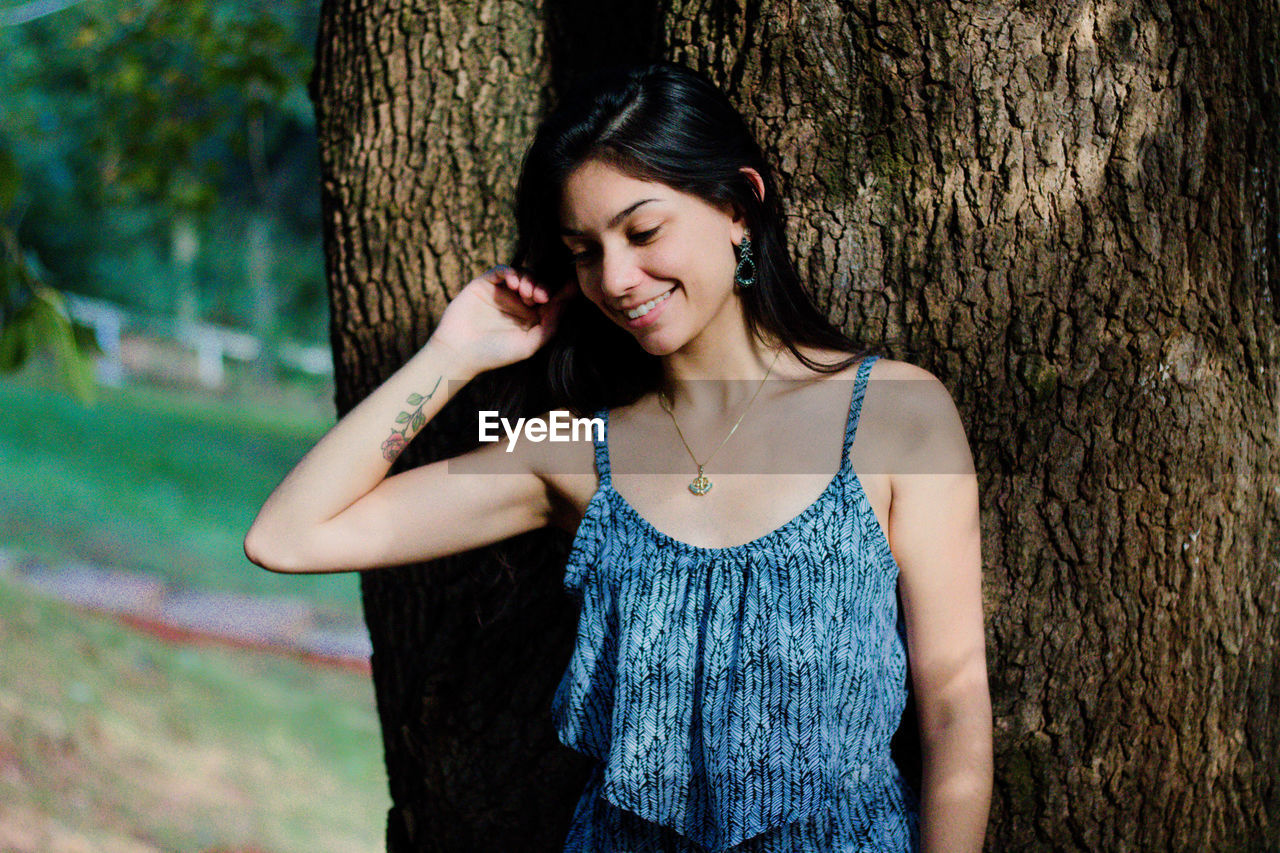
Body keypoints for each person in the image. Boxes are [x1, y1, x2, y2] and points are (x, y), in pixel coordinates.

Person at [245, 61, 992, 852]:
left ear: (738, 206)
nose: (616, 278)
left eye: (643, 232)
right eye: (584, 251)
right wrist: (453, 354)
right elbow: (289, 535)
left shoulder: (893, 414)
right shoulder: (571, 451)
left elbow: (952, 704)